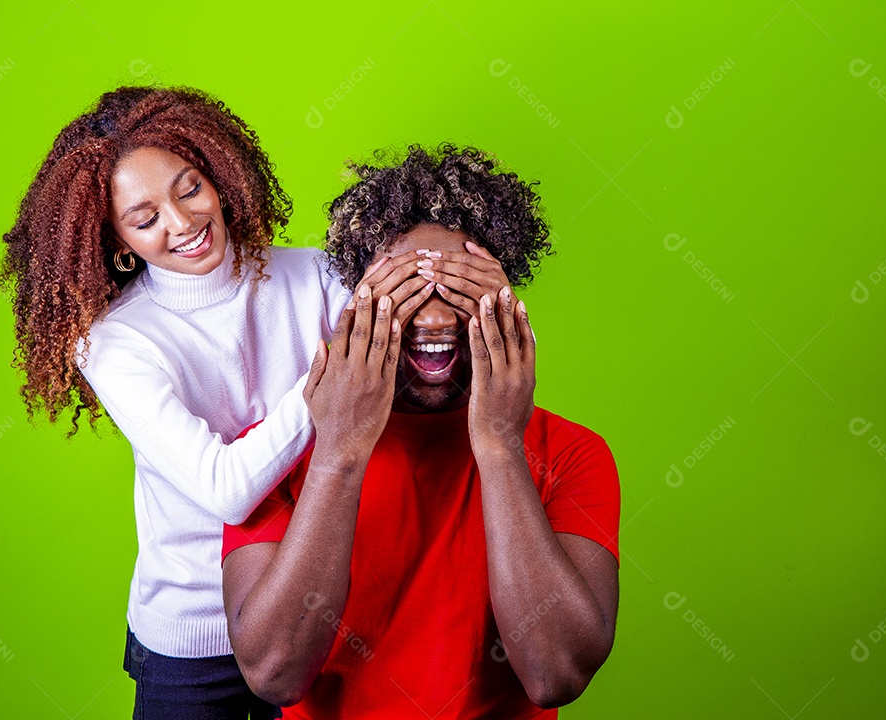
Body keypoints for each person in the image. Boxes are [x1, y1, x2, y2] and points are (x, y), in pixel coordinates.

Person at [222, 145, 621, 718]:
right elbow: (273, 673)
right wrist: (339, 449)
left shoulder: (573, 453)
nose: (434, 320)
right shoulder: (272, 451)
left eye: (458, 291)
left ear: (505, 308)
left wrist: (501, 445)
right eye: (408, 291)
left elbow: (555, 674)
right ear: (356, 302)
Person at [0, 86, 350, 719]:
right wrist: (339, 375)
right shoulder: (115, 344)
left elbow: (435, 343)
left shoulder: (315, 276)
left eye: (189, 189)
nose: (182, 223)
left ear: (219, 175)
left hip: (310, 618)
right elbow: (226, 490)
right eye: (145, 217)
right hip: (193, 640)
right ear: (115, 238)